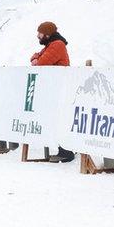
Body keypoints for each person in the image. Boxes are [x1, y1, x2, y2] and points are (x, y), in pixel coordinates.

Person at [32, 21, 75, 163]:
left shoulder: (57, 45)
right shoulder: (51, 44)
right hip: (55, 89)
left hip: (60, 89)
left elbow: (41, 62)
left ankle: (66, 152)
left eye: (40, 33)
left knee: (60, 119)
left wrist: (37, 59)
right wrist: (36, 58)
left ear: (47, 34)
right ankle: (63, 150)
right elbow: (35, 56)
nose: (38, 36)